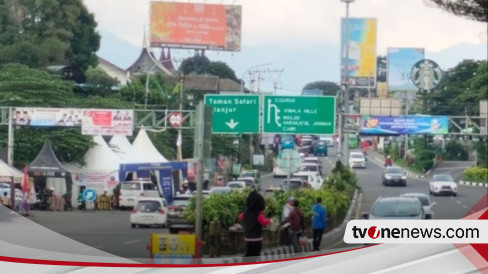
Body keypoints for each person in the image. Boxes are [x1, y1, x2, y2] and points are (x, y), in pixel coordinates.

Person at [238, 189, 270, 262]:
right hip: (256, 238)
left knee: (248, 252)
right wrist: (269, 220)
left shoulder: (245, 213)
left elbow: (240, 217)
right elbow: (263, 222)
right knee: (256, 253)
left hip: (247, 237)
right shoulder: (258, 214)